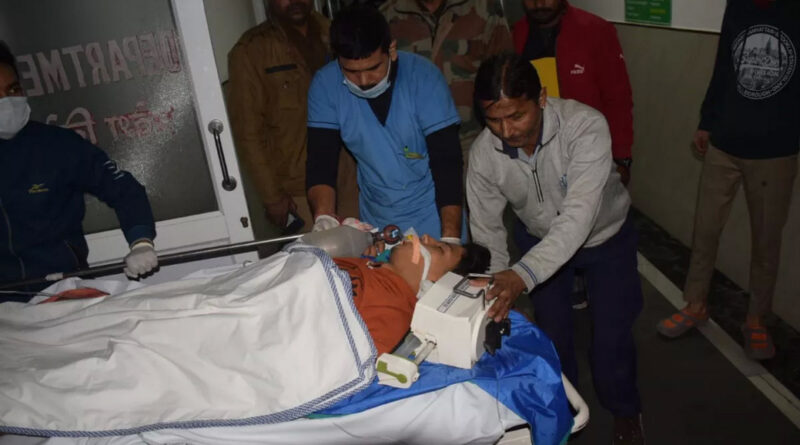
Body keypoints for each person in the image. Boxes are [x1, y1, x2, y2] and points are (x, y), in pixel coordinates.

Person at [466, 54, 644, 444]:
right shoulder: (483, 155)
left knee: (611, 338)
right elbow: (487, 230)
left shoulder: (585, 127)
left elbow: (578, 218)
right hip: (538, 239)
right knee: (551, 336)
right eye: (493, 120)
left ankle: (625, 409)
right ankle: (562, 410)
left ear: (542, 98)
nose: (506, 131)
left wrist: (521, 275)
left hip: (604, 238)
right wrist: (496, 288)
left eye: (516, 116)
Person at [656, 0, 799, 361]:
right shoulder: (737, 6)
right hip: (724, 143)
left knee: (766, 241)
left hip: (775, 149)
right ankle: (696, 304)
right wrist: (707, 120)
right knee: (705, 230)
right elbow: (724, 65)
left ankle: (756, 320)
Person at [0, 41, 157, 300]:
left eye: (13, 90)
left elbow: (123, 189)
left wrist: (140, 241)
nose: (7, 102)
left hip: (63, 292)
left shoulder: (57, 145)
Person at [306, 4, 465, 243]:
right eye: (351, 72)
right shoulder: (325, 85)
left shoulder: (424, 78)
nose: (363, 81)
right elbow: (321, 161)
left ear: (391, 50)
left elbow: (447, 162)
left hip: (433, 211)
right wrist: (324, 216)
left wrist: (450, 239)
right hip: (378, 215)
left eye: (373, 68)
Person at [228, 0, 359, 233]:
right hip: (298, 184)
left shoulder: (334, 33)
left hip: (350, 175)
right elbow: (248, 132)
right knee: (321, 252)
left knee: (364, 248)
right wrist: (271, 196)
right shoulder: (251, 51)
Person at [512, 0, 633, 185]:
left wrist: (621, 157)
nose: (539, 3)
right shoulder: (516, 34)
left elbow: (618, 98)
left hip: (587, 151)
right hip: (536, 155)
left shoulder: (596, 31)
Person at [380, 0, 513, 165]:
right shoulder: (387, 15)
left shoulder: (483, 7)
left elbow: (505, 76)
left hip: (472, 143)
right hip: (412, 150)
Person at [337, 234, 490, 354]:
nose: (426, 237)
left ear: (438, 282)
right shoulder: (366, 264)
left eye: (440, 248)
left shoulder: (391, 316)